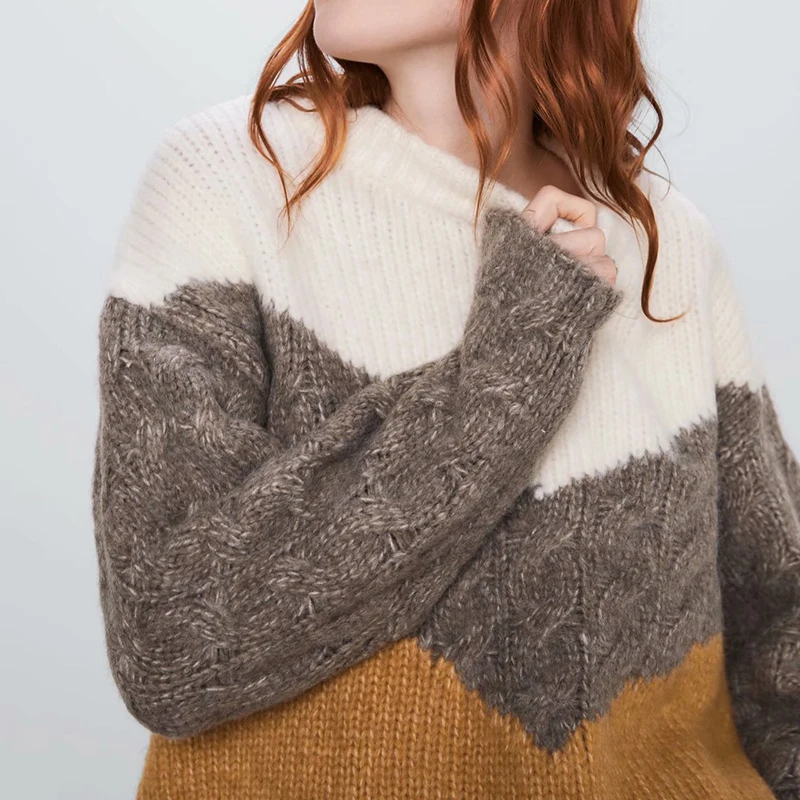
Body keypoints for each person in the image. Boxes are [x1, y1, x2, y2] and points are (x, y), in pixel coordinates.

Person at [91, 1, 800, 798]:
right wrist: (518, 351)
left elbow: (779, 633)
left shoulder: (666, 239)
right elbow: (169, 645)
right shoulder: (233, 177)